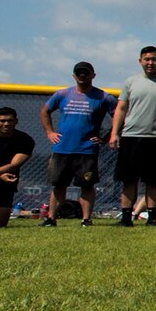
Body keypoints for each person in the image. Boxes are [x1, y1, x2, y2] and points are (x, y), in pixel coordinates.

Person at [108, 45, 156, 227]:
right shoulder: (130, 82)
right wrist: (114, 133)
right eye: (147, 59)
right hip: (130, 136)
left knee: (153, 181)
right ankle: (126, 218)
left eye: (154, 59)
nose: (150, 63)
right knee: (128, 179)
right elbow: (121, 108)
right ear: (140, 61)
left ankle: (151, 218)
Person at [40, 61, 109, 227]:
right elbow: (44, 111)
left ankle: (86, 219)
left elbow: (120, 116)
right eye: (79, 73)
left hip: (86, 150)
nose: (82, 75)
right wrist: (49, 132)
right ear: (74, 76)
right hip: (62, 148)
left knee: (86, 185)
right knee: (59, 185)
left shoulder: (103, 97)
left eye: (86, 72)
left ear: (93, 75)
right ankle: (51, 219)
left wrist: (105, 138)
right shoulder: (62, 94)